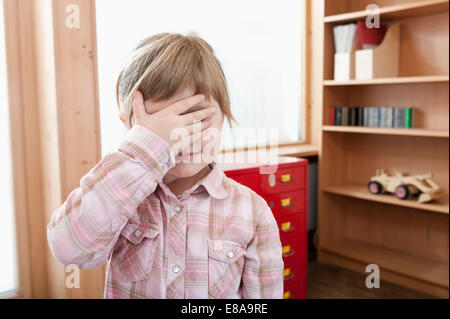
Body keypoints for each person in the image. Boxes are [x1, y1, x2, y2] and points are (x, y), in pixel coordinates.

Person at [47, 32, 283, 299]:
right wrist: (147, 146)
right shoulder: (119, 196)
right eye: (161, 123)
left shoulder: (253, 213)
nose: (183, 135)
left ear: (223, 115)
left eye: (199, 117)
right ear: (130, 126)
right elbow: (69, 250)